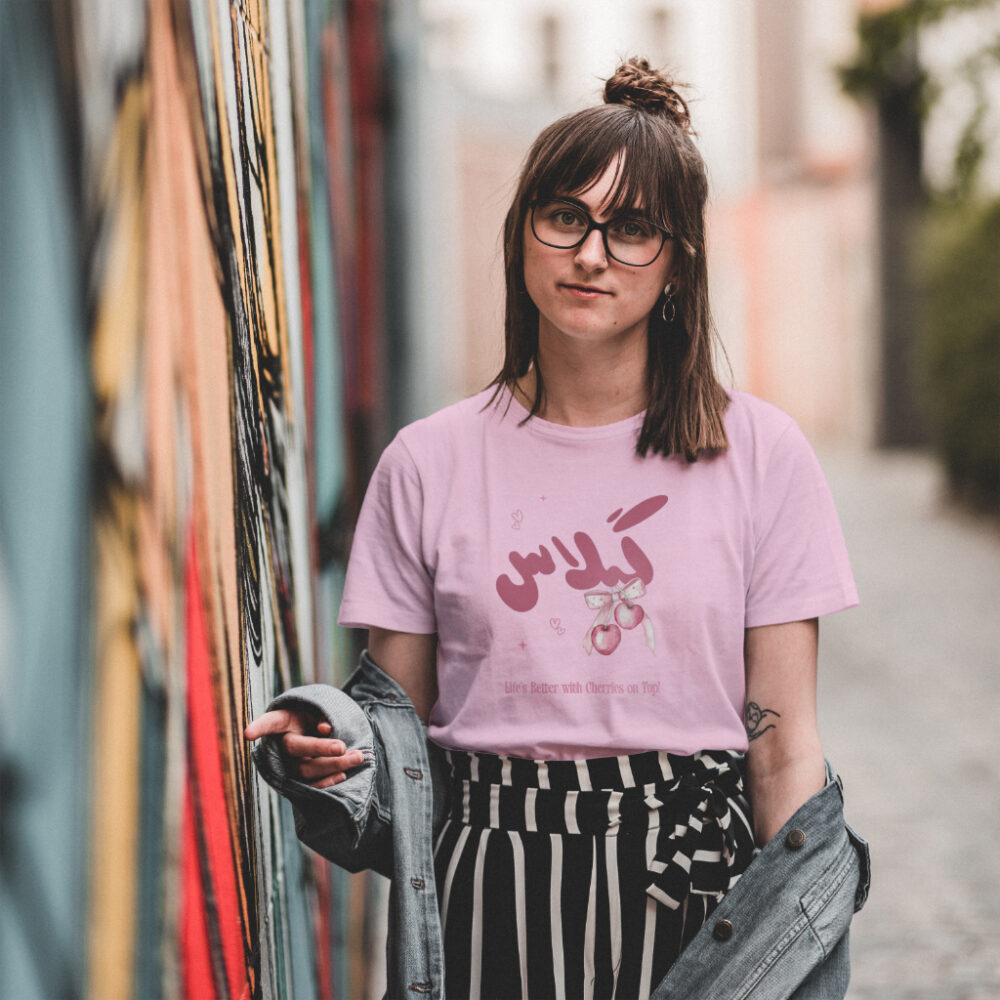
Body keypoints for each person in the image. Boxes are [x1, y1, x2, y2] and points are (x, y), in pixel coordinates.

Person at [245, 57, 865, 1000]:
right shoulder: (427, 464)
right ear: (524, 232)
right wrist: (328, 744)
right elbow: (394, 735)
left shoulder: (764, 456)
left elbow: (782, 749)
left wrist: (801, 949)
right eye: (566, 217)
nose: (590, 254)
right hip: (487, 898)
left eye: (633, 230)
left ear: (679, 260)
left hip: (700, 901)